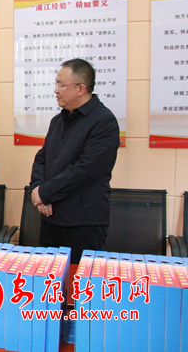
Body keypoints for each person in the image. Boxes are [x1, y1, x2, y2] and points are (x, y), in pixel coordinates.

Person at [30, 58, 120, 264]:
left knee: (80, 280)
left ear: (81, 89)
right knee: (49, 279)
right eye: (56, 84)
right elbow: (42, 158)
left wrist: (45, 192)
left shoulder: (103, 121)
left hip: (82, 223)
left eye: (61, 85)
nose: (56, 90)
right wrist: (38, 190)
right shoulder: (58, 120)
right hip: (50, 217)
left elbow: (86, 170)